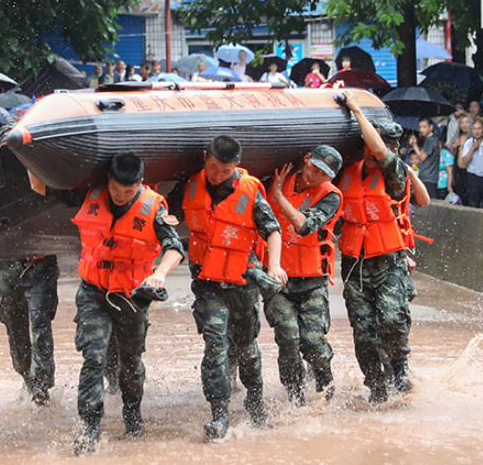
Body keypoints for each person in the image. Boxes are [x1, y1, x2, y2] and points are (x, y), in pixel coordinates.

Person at [29, 153, 184, 455]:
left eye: (128, 192)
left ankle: (132, 416)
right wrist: (27, 154)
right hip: (93, 292)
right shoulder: (91, 194)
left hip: (132, 297)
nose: (121, 196)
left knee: (131, 363)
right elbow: (39, 186)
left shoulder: (153, 208)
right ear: (108, 181)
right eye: (116, 189)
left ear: (140, 184)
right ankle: (89, 429)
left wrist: (160, 274)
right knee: (93, 359)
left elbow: (174, 248)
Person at [173, 136, 286, 440]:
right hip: (207, 284)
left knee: (247, 349)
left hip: (243, 281)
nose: (217, 175)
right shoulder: (190, 185)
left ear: (236, 166)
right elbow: (165, 217)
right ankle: (219, 414)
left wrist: (274, 266)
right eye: (213, 168)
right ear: (205, 157)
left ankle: (255, 402)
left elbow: (272, 230)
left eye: (225, 170)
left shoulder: (250, 191)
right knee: (214, 347)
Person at [338, 92, 415, 404]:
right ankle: (377, 387)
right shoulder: (347, 171)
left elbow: (382, 152)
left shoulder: (394, 173)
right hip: (355, 264)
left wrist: (356, 109)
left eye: (380, 148)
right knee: (365, 334)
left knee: (391, 318)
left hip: (389, 262)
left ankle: (399, 366)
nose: (373, 152)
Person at [266, 146, 344, 406]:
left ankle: (326, 392)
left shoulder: (331, 196)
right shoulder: (278, 177)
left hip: (312, 281)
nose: (315, 176)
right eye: (314, 168)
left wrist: (278, 195)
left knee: (313, 343)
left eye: (323, 174)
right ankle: (294, 397)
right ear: (306, 160)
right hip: (279, 280)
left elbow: (303, 226)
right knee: (288, 338)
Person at [0, 255, 60, 405]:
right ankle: (28, 378)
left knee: (41, 323)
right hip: (6, 267)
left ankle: (41, 386)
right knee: (15, 331)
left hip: (41, 265)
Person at [409, 118, 440, 198]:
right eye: (420, 127)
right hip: (429, 176)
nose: (421, 129)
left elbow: (422, 157)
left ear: (431, 127)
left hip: (428, 176)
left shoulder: (431, 140)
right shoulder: (431, 139)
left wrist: (414, 146)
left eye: (424, 127)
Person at [461, 119, 483, 208]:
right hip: (472, 176)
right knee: (473, 203)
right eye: (474, 129)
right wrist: (472, 148)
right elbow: (464, 161)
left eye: (479, 129)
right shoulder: (468, 143)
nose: (477, 131)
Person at [452, 115, 474, 204]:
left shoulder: (473, 139)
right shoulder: (457, 137)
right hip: (458, 169)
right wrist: (454, 148)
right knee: (459, 190)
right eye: (462, 123)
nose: (464, 125)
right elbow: (453, 156)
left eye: (467, 122)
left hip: (470, 169)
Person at [437, 136, 455, 200]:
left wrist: (449, 186)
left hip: (443, 183)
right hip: (433, 182)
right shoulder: (432, 153)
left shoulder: (446, 154)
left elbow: (450, 171)